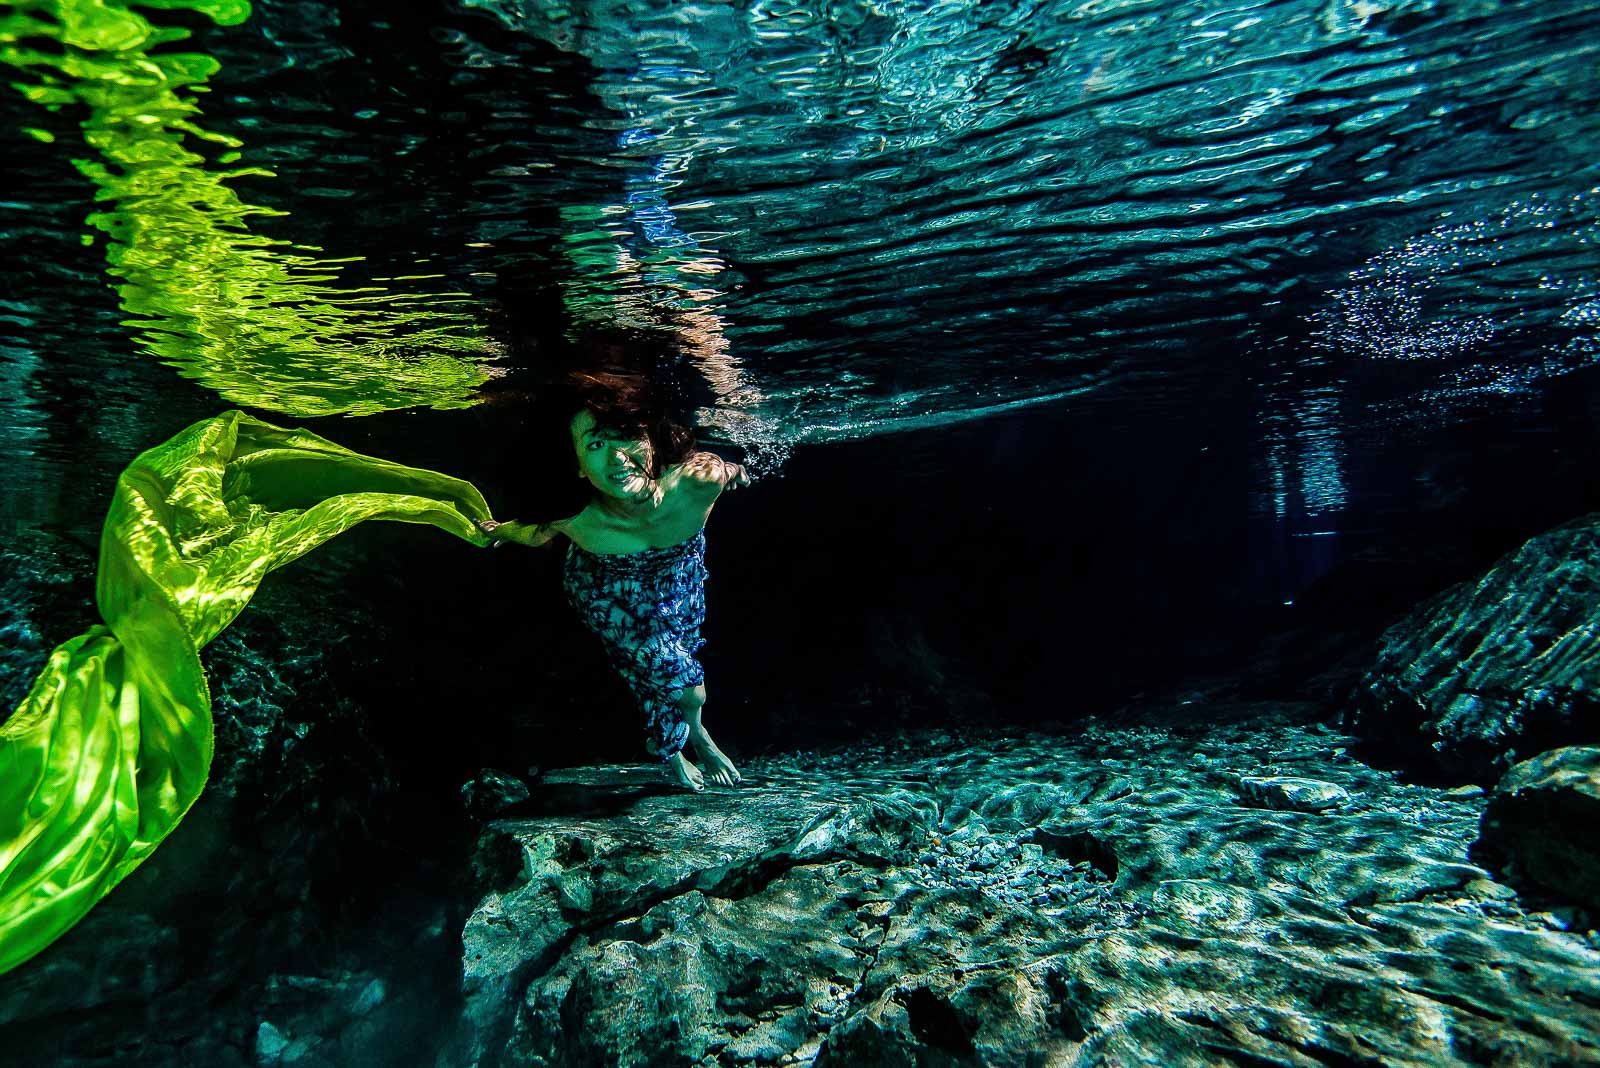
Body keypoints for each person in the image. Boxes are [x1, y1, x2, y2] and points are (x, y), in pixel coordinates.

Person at [479, 368, 749, 793]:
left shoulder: (699, 481)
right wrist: (502, 530)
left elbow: (732, 469)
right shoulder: (577, 517)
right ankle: (695, 738)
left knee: (659, 664)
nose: (617, 459)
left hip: (678, 577)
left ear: (651, 440)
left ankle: (668, 750)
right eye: (597, 444)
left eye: (625, 436)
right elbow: (534, 532)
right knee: (683, 682)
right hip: (603, 589)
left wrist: (738, 472)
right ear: (580, 468)